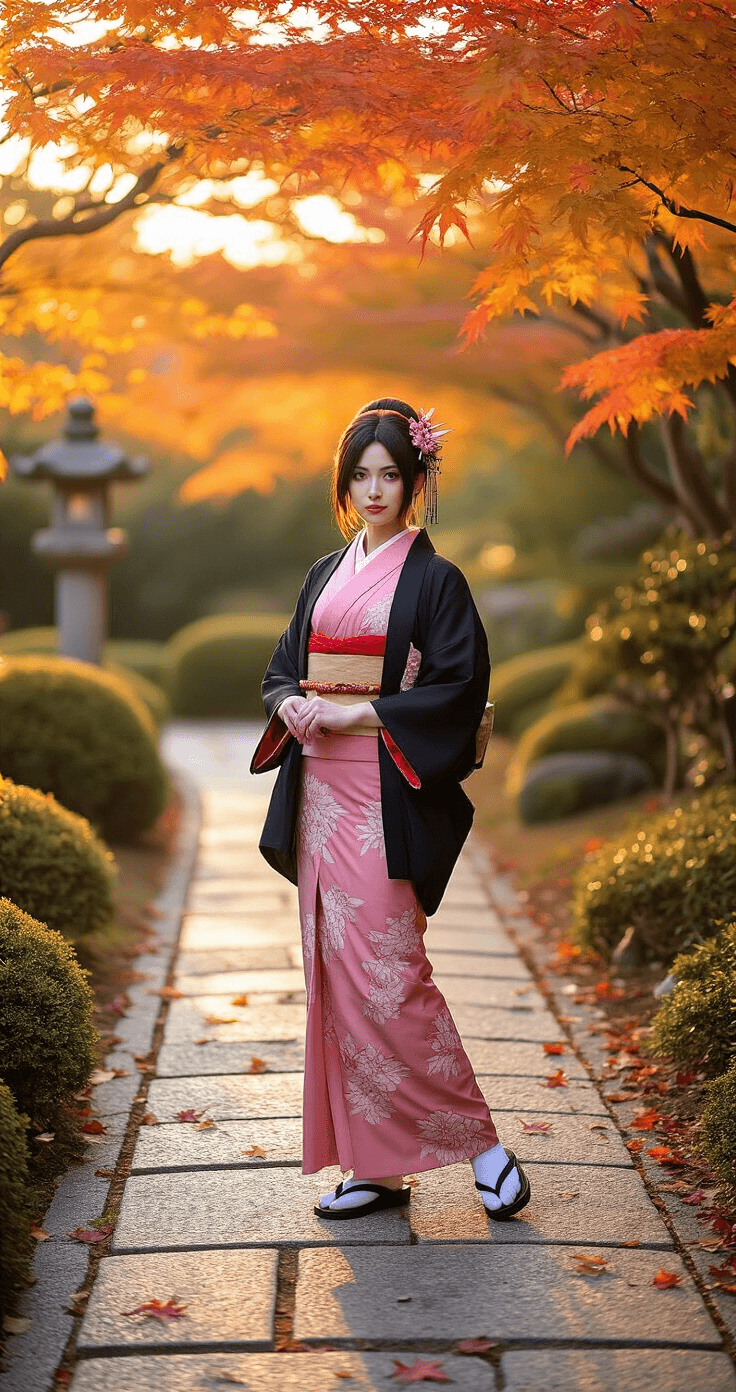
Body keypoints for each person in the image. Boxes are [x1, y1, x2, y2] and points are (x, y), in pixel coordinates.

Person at [250, 397, 530, 1221]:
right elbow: (281, 666)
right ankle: (375, 1164)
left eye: (390, 476)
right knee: (335, 981)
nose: (375, 490)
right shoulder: (322, 573)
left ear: (414, 485)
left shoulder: (437, 581)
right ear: (346, 484)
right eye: (361, 476)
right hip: (319, 797)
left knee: (393, 975)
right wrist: (294, 704)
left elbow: (455, 687)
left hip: (381, 790)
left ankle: (482, 1145)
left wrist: (356, 713)